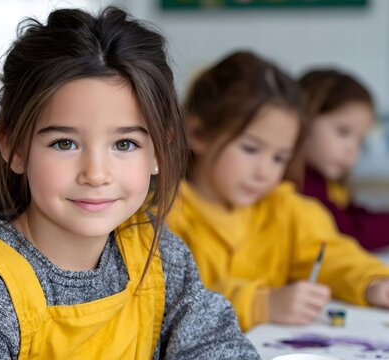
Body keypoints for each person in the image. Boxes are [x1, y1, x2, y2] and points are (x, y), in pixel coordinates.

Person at [0, 7, 259, 359]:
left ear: (160, 151)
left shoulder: (156, 254)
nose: (96, 174)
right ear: (14, 147)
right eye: (64, 143)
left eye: (125, 144)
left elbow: (214, 342)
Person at [166, 51, 389, 332]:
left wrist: (372, 282)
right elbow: (167, 304)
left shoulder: (289, 209)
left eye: (279, 158)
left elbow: (333, 254)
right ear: (197, 133)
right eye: (251, 149)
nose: (264, 172)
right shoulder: (162, 215)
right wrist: (261, 304)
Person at [299, 69, 389, 251]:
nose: (352, 149)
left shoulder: (322, 181)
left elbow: (348, 214)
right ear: (305, 119)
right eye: (343, 131)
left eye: (360, 141)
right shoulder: (302, 184)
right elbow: (350, 233)